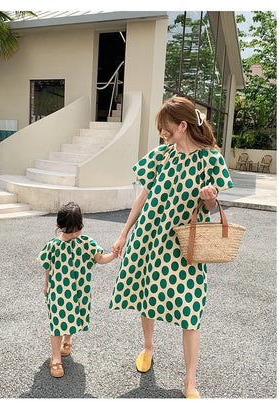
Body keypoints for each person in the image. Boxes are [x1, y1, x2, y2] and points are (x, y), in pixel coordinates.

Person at [110, 97, 234, 398]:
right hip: (149, 238)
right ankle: (148, 347)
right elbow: (142, 196)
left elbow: (211, 205)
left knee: (191, 310)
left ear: (183, 125)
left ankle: (190, 380)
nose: (163, 134)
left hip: (183, 243)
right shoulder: (161, 155)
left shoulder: (210, 158)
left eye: (166, 129)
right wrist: (124, 233)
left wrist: (209, 196)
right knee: (145, 296)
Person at [38, 202, 117, 378]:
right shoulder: (53, 246)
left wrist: (114, 254)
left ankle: (68, 339)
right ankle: (56, 356)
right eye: (69, 231)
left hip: (79, 292)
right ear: (59, 227)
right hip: (58, 292)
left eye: (77, 229)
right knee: (57, 324)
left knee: (73, 316)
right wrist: (46, 285)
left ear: (82, 224)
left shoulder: (86, 243)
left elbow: (100, 258)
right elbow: (47, 267)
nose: (74, 234)